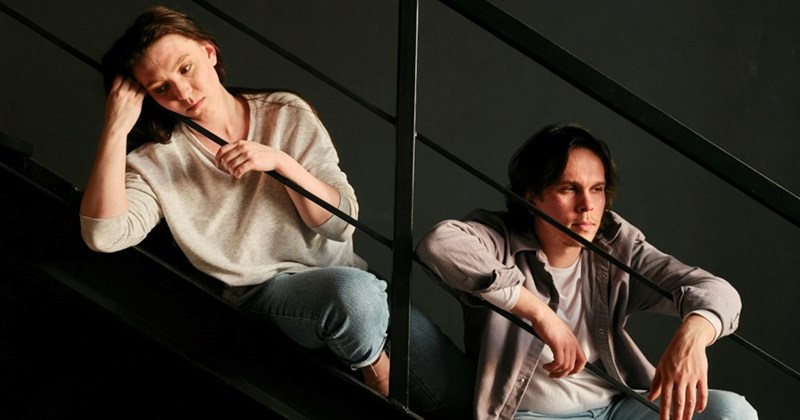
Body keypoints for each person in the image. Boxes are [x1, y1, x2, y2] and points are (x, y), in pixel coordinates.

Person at [78, 5, 393, 396]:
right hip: (266, 293)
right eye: (161, 89)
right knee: (356, 299)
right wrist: (115, 129)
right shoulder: (157, 161)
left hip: (344, 272)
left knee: (451, 383)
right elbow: (104, 236)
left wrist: (280, 164)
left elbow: (340, 225)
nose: (183, 93)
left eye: (185, 68)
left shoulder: (284, 112)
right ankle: (377, 371)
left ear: (209, 52)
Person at [416, 123, 758, 420]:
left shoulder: (617, 246)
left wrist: (691, 338)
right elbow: (440, 244)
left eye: (597, 189)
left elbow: (717, 291)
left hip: (617, 410)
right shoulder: (499, 238)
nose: (587, 206)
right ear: (532, 196)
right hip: (530, 415)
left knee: (732, 411)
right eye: (569, 189)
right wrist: (540, 314)